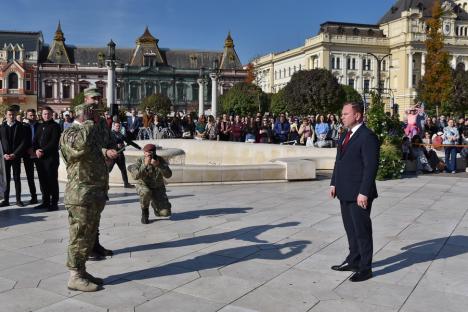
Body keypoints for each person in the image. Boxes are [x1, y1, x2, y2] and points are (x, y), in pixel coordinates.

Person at [60, 87, 118, 291]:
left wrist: (108, 153)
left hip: (95, 191)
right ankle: (74, 276)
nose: (95, 114)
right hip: (80, 194)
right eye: (90, 111)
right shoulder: (70, 133)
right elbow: (79, 149)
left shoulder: (92, 130)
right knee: (79, 235)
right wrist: (88, 122)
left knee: (89, 234)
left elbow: (98, 149)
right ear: (81, 114)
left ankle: (82, 271)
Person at [330, 102, 380, 282]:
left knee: (362, 231)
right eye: (342, 114)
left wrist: (364, 192)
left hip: (359, 193)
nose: (342, 117)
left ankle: (365, 268)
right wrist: (333, 183)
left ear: (357, 115)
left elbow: (370, 167)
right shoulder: (345, 134)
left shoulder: (368, 136)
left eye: (345, 114)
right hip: (344, 190)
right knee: (350, 229)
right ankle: (353, 260)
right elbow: (339, 161)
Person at [128, 144, 172, 224]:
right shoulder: (140, 160)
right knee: (146, 192)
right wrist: (145, 165)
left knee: (165, 213)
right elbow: (135, 176)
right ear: (144, 153)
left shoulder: (160, 160)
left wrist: (158, 165)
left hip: (157, 187)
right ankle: (145, 212)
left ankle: (155, 204)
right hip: (144, 185)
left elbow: (168, 175)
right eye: (146, 153)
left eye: (151, 153)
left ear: (154, 152)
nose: (149, 155)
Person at [33, 106, 62, 211]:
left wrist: (42, 151)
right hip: (40, 159)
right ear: (42, 115)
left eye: (48, 114)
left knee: (52, 180)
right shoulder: (40, 126)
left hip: (51, 158)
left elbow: (54, 142)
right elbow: (35, 140)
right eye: (44, 114)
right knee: (43, 181)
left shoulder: (56, 126)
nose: (46, 115)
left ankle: (54, 203)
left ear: (52, 114)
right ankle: (45, 202)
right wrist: (36, 150)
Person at [0, 105, 27, 207]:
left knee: (17, 178)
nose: (11, 116)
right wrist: (3, 155)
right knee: (6, 179)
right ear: (6, 115)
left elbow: (23, 142)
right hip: (5, 157)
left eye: (13, 115)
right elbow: (0, 143)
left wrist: (15, 154)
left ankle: (18, 200)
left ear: (16, 115)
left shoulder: (21, 126)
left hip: (15, 156)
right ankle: (6, 200)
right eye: (9, 115)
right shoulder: (2, 127)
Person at [109, 121, 134, 188]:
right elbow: (108, 144)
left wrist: (123, 145)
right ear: (114, 126)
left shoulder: (121, 134)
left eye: (119, 126)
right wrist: (116, 146)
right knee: (108, 169)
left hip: (120, 155)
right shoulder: (110, 134)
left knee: (123, 169)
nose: (118, 127)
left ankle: (126, 184)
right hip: (113, 155)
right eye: (116, 126)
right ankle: (102, 183)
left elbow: (123, 143)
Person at [22, 108, 39, 205]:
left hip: (38, 154)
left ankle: (46, 197)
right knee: (30, 177)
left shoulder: (40, 126)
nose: (32, 117)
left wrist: (36, 149)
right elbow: (21, 140)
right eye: (30, 115)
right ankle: (34, 197)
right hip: (27, 154)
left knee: (42, 176)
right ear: (27, 116)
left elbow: (42, 139)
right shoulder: (23, 126)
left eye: (33, 115)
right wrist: (28, 149)